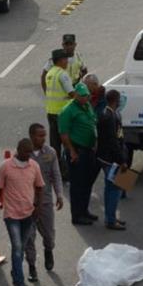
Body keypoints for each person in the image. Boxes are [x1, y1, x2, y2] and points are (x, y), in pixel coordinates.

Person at [0, 138, 45, 286]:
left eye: (30, 152)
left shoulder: (34, 166)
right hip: (12, 215)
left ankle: (16, 273)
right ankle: (19, 284)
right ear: (18, 150)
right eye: (26, 152)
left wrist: (38, 206)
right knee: (16, 248)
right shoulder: (6, 166)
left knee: (21, 248)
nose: (29, 155)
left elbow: (40, 187)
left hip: (28, 214)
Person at [24, 123, 63, 280]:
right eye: (40, 136)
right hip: (27, 204)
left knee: (49, 235)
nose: (43, 138)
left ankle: (48, 250)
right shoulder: (23, 153)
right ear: (32, 136)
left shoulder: (50, 152)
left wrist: (59, 194)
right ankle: (32, 267)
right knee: (29, 237)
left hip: (45, 202)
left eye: (44, 135)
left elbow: (56, 175)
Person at [59, 82, 99, 225]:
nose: (85, 98)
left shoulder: (87, 106)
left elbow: (92, 123)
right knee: (77, 184)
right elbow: (64, 134)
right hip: (77, 150)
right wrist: (72, 151)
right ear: (75, 95)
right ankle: (77, 215)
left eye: (86, 96)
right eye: (82, 96)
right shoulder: (68, 110)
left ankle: (84, 210)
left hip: (88, 150)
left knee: (87, 182)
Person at [96, 89, 128, 230]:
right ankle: (111, 220)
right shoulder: (110, 117)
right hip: (111, 160)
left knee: (111, 188)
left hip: (107, 157)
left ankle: (112, 217)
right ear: (116, 100)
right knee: (114, 189)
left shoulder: (109, 113)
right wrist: (122, 161)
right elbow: (113, 142)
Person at [42, 48, 76, 182]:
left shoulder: (50, 73)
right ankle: (67, 173)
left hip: (51, 112)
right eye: (65, 59)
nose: (67, 61)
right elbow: (71, 93)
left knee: (55, 145)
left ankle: (55, 173)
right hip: (62, 114)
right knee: (68, 144)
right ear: (61, 60)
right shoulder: (62, 74)